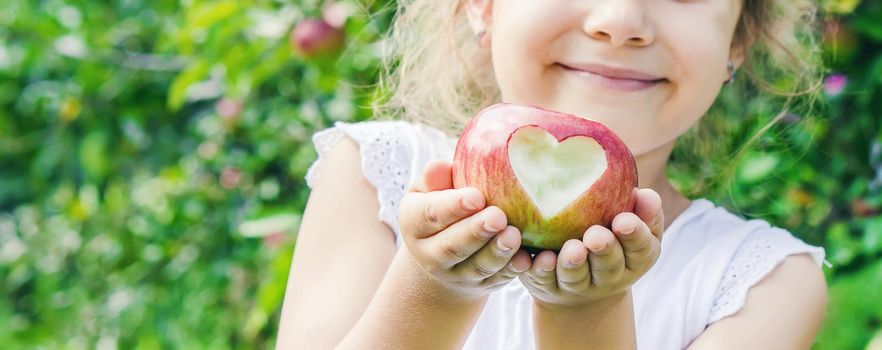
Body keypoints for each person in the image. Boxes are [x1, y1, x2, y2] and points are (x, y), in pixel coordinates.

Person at [276, 0, 830, 348]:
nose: (619, 20)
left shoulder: (762, 282)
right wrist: (435, 287)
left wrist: (587, 311)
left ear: (737, 40)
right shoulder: (376, 179)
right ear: (482, 6)